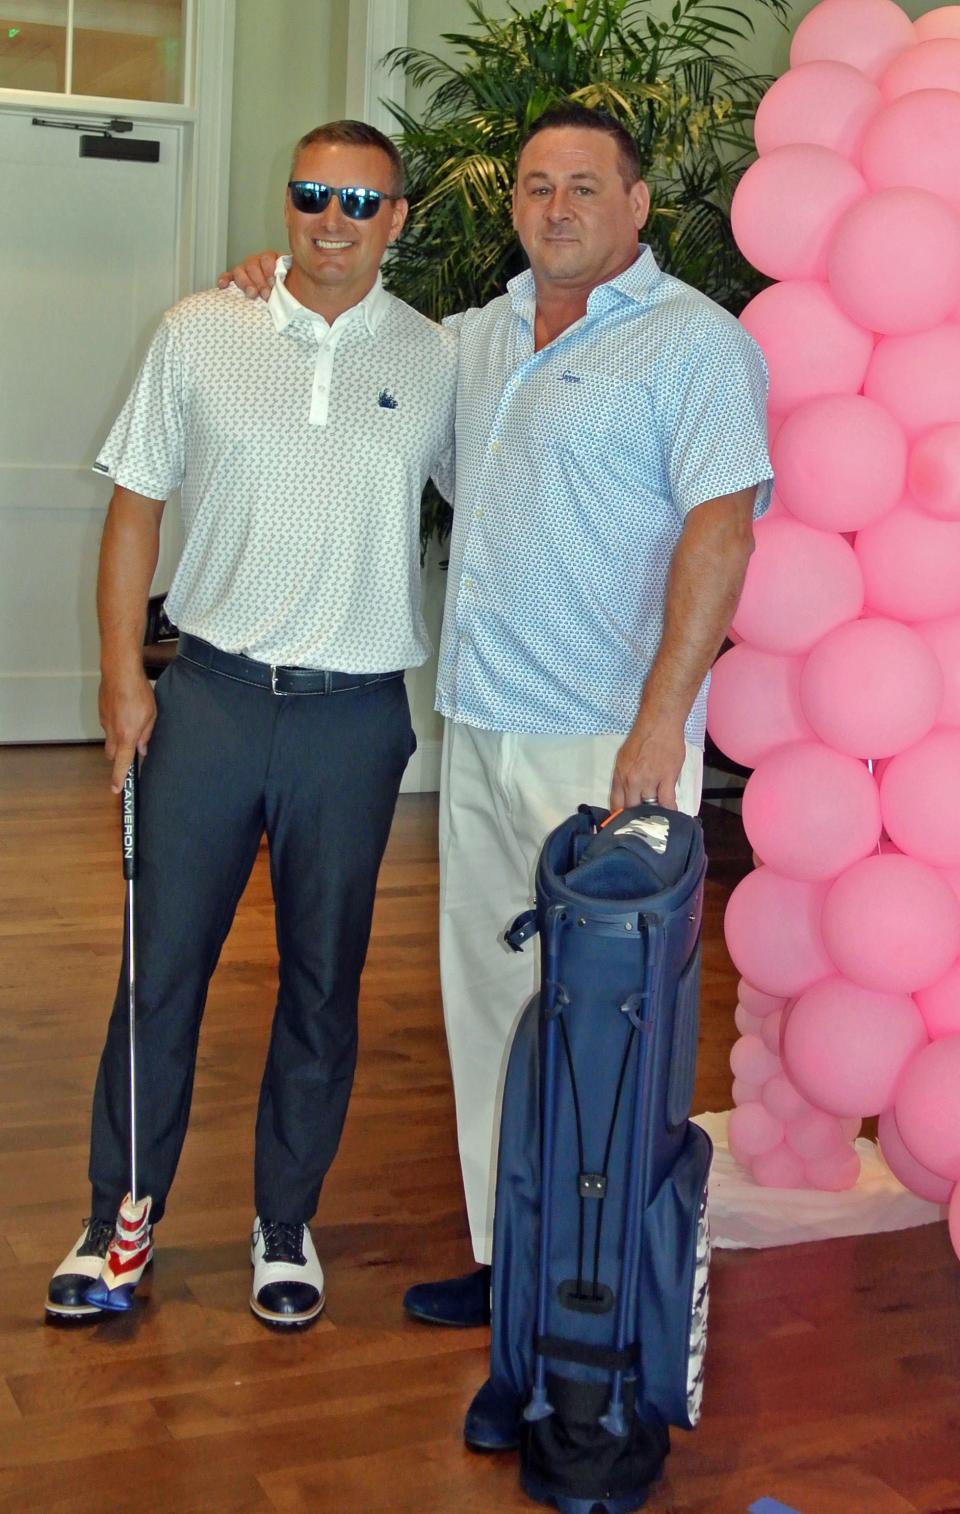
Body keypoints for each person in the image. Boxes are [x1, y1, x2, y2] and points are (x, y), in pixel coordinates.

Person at [223, 103, 772, 1435]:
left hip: (609, 740)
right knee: (488, 1003)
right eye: (537, 183)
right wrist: (271, 288)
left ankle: (595, 1274)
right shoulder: (470, 343)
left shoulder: (693, 345)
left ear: (637, 205)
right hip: (482, 724)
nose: (557, 204)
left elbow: (718, 532)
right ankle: (505, 1250)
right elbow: (350, 342)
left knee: (603, 1025)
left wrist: (661, 721)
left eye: (586, 184)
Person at [45, 120, 457, 1330]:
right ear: (289, 202)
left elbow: (506, 486)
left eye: (361, 201)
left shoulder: (441, 359)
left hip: (353, 721)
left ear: (399, 220)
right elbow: (134, 513)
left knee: (325, 987)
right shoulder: (199, 330)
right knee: (159, 971)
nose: (333, 218)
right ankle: (122, 1215)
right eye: (312, 194)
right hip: (211, 703)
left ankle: (287, 1217)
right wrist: (124, 677)